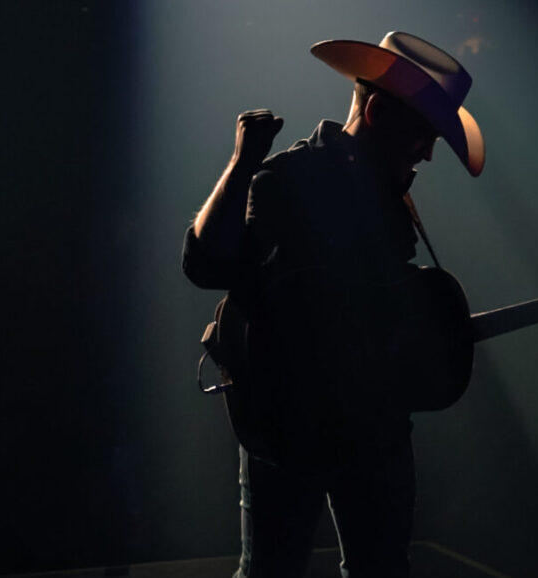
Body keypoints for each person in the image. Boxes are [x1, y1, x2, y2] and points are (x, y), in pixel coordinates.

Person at [182, 31, 484, 578]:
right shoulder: (289, 178)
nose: (429, 151)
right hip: (287, 427)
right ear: (376, 113)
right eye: (422, 133)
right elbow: (206, 266)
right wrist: (243, 163)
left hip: (374, 425)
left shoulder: (389, 197)